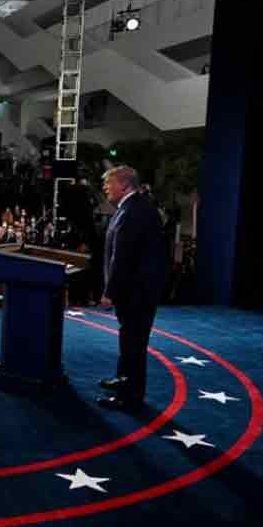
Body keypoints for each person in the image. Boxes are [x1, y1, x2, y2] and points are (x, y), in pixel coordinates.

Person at [98, 165, 168, 410]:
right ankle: (123, 381)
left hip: (137, 291)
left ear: (125, 185)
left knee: (133, 342)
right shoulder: (131, 207)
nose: (105, 187)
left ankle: (129, 396)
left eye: (110, 183)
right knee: (129, 338)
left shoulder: (134, 211)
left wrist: (110, 292)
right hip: (136, 289)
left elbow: (122, 257)